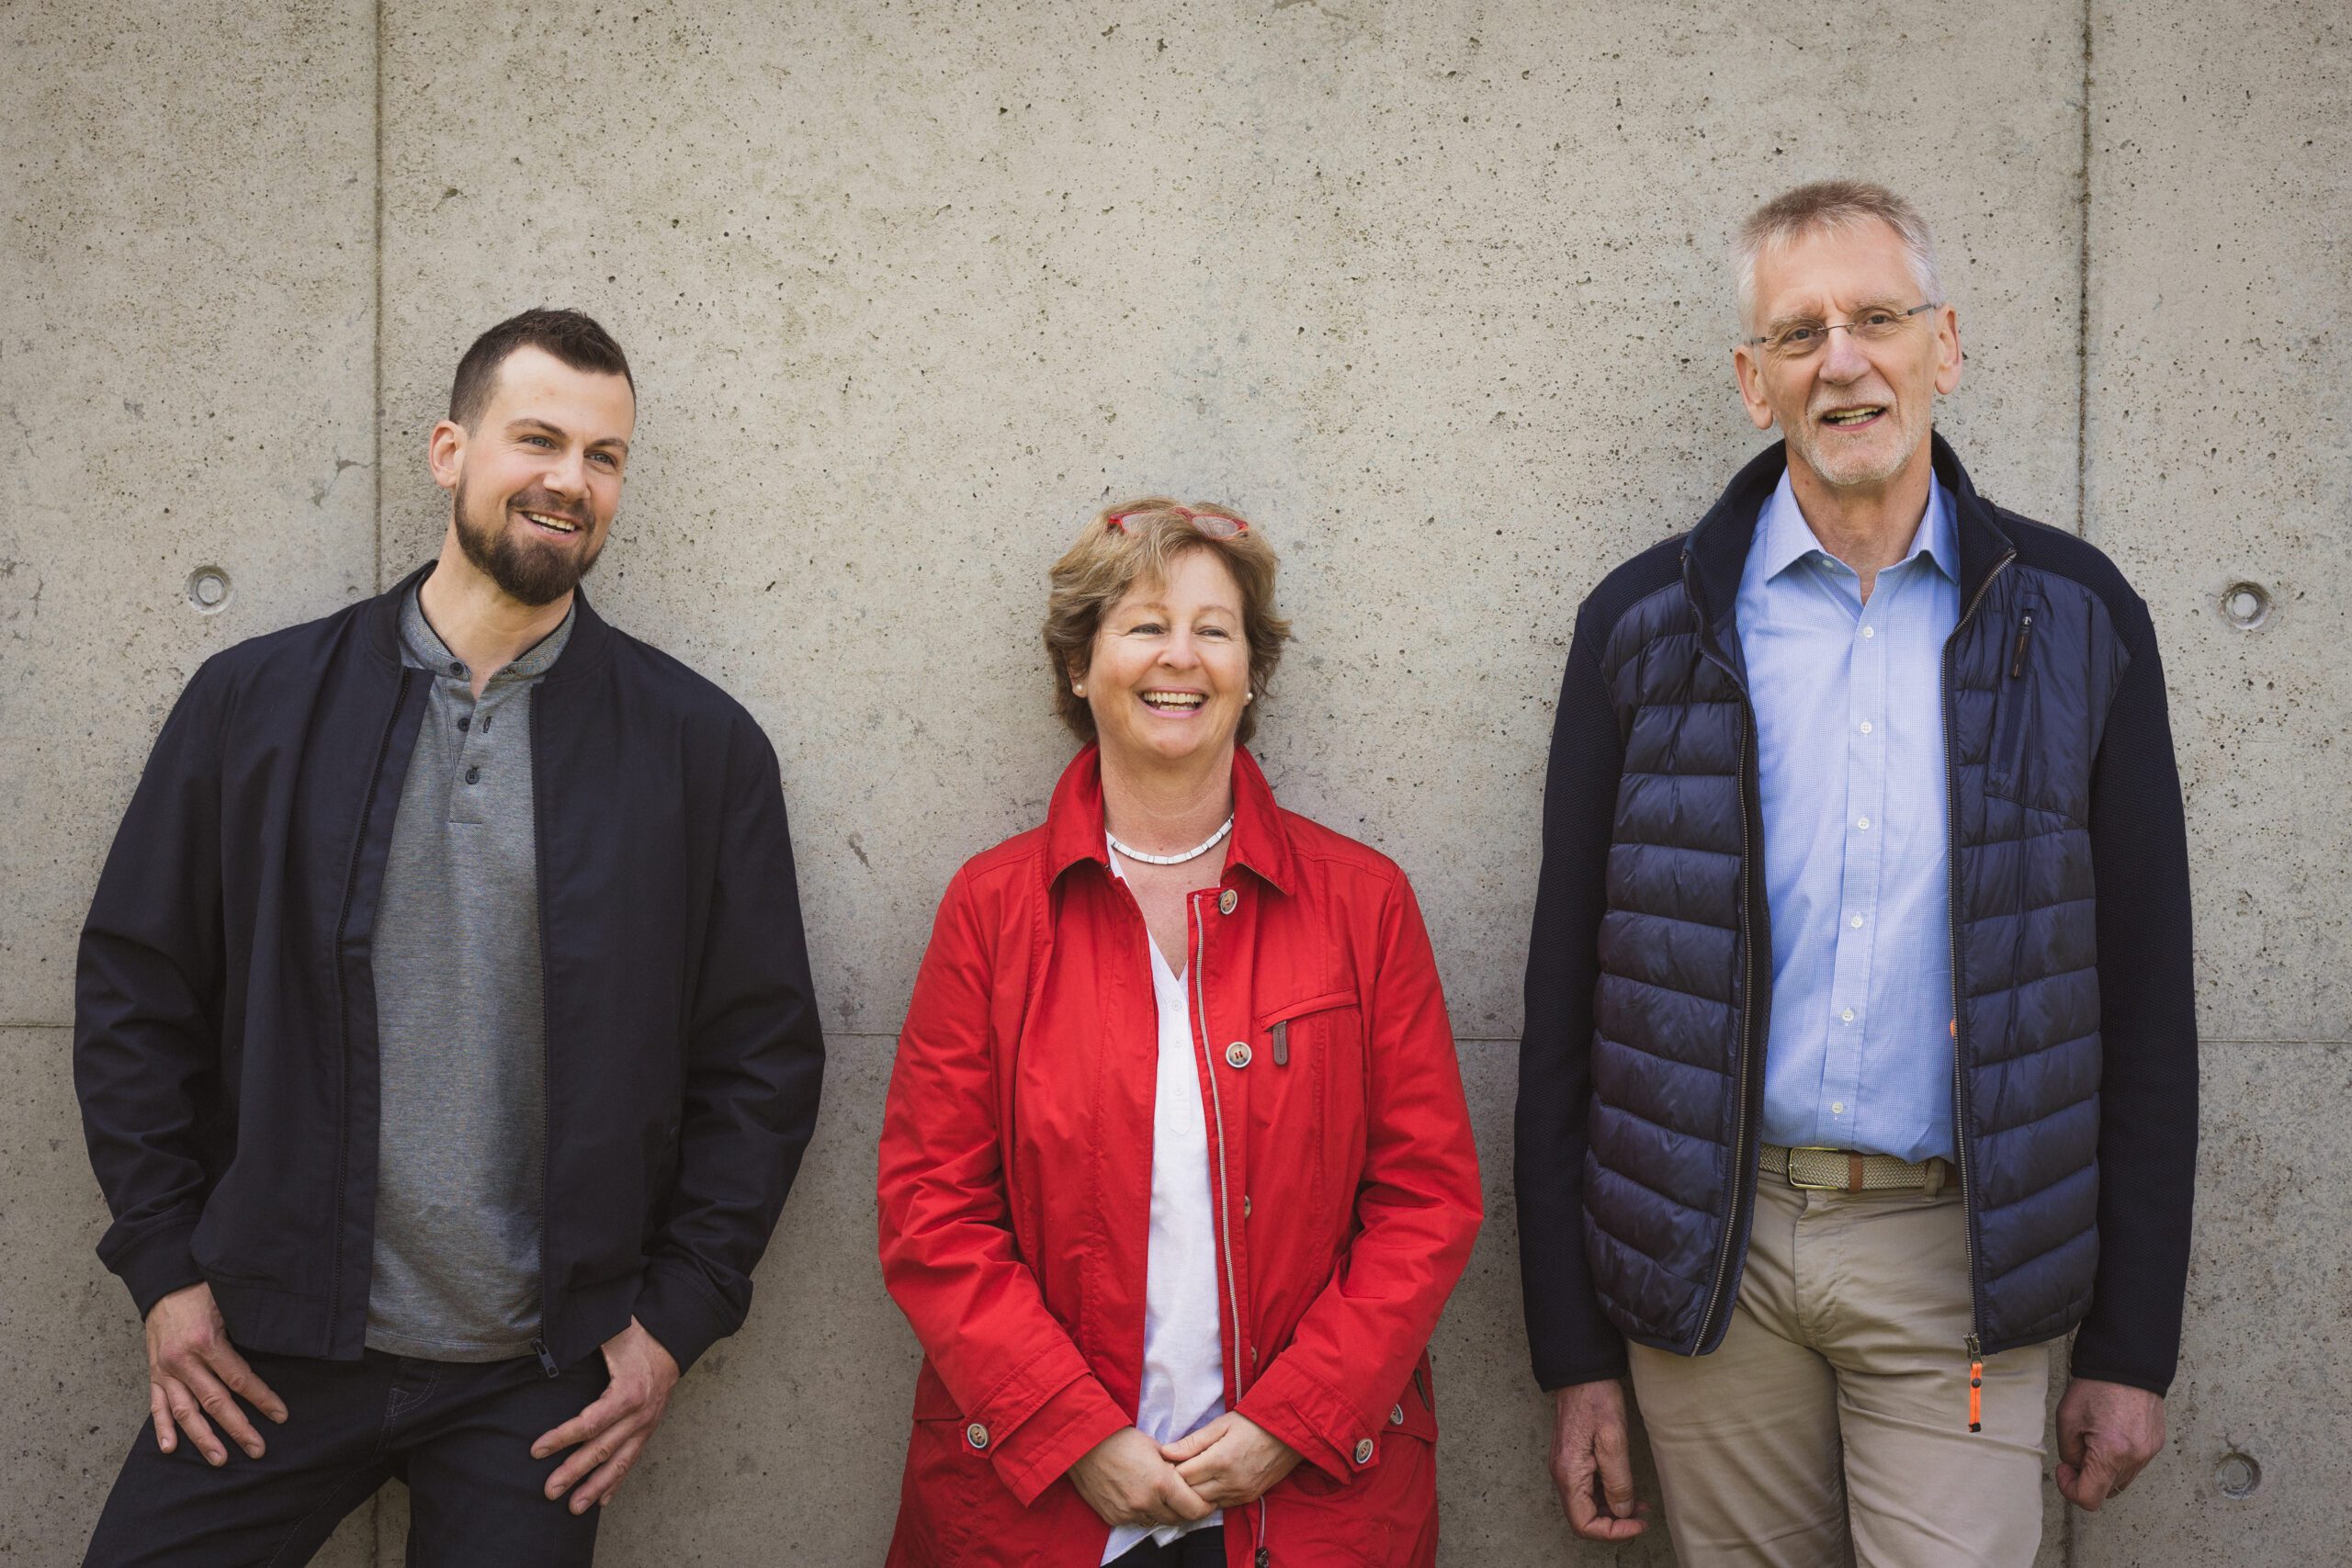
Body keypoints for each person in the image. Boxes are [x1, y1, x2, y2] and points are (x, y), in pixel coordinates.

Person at [1515, 182, 2198, 1566]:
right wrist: (1569, 1347)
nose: (1843, 358)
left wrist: (2133, 1340)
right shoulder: (1645, 625)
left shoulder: (2078, 617)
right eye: (1799, 331)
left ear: (1943, 344)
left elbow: (2145, 997)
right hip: (1711, 1249)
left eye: (1877, 317)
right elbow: (1565, 1005)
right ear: (1753, 381)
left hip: (1962, 1254)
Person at [74, 308, 826, 1565]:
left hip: (537, 1379)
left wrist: (674, 1321)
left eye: (604, 455)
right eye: (538, 438)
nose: (569, 481)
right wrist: (165, 1266)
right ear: (447, 450)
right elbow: (136, 996)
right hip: (267, 1337)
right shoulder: (255, 705)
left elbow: (762, 1058)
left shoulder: (700, 750)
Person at [876, 502, 1483, 1567]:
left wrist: (1290, 1422)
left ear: (1252, 673)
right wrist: (1074, 1432)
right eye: (1144, 624)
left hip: (1303, 1506)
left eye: (1215, 629)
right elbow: (932, 1209)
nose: (1181, 657)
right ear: (1079, 665)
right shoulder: (990, 909)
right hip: (1041, 1504)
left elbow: (1425, 1201)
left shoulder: (1362, 903)